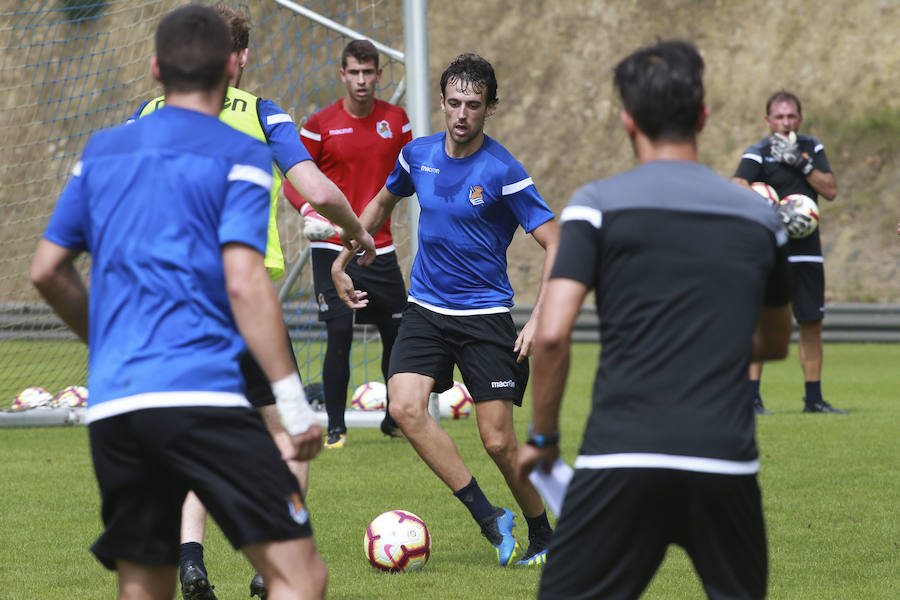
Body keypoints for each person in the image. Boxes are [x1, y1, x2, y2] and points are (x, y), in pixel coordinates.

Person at [29, 6, 342, 600]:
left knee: (145, 584)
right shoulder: (238, 152)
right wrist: (292, 403)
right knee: (300, 576)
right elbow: (246, 282)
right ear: (233, 66)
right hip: (201, 392)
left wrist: (108, 341)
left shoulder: (102, 150)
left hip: (117, 404)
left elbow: (46, 269)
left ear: (154, 69)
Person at [516, 40, 793, 599]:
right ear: (703, 116)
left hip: (621, 455)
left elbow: (550, 334)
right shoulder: (762, 219)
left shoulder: (596, 205)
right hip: (724, 459)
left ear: (627, 120)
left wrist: (542, 439)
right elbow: (775, 343)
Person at [128, 6, 375, 599]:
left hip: (171, 303)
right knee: (291, 433)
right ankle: (274, 565)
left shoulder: (147, 114)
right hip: (242, 299)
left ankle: (191, 559)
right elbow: (312, 186)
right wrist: (356, 230)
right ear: (239, 58)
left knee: (192, 434)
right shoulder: (264, 114)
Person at [332, 53, 559, 567]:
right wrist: (344, 257)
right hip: (427, 310)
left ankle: (543, 533)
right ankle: (487, 516)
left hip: (485, 318)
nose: (461, 114)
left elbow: (557, 242)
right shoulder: (418, 155)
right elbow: (379, 206)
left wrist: (542, 314)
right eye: (454, 103)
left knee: (498, 442)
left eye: (473, 105)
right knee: (405, 407)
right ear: (441, 102)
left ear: (490, 108)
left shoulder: (503, 170)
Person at [282, 39, 413, 448]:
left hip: (382, 247)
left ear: (378, 74)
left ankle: (395, 419)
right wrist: (308, 210)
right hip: (331, 248)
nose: (361, 80)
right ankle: (336, 429)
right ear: (342, 75)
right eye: (353, 72)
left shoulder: (398, 120)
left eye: (368, 71)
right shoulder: (319, 123)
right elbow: (292, 178)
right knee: (339, 332)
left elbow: (410, 173)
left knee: (398, 333)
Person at [732, 90, 845, 415]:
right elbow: (738, 183)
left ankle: (814, 400)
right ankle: (752, 400)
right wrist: (772, 209)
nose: (785, 122)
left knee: (812, 323)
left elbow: (831, 190)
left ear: (800, 118)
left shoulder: (811, 148)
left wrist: (800, 162)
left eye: (791, 116)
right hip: (769, 253)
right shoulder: (759, 152)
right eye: (779, 117)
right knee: (759, 324)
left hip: (807, 252)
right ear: (768, 121)